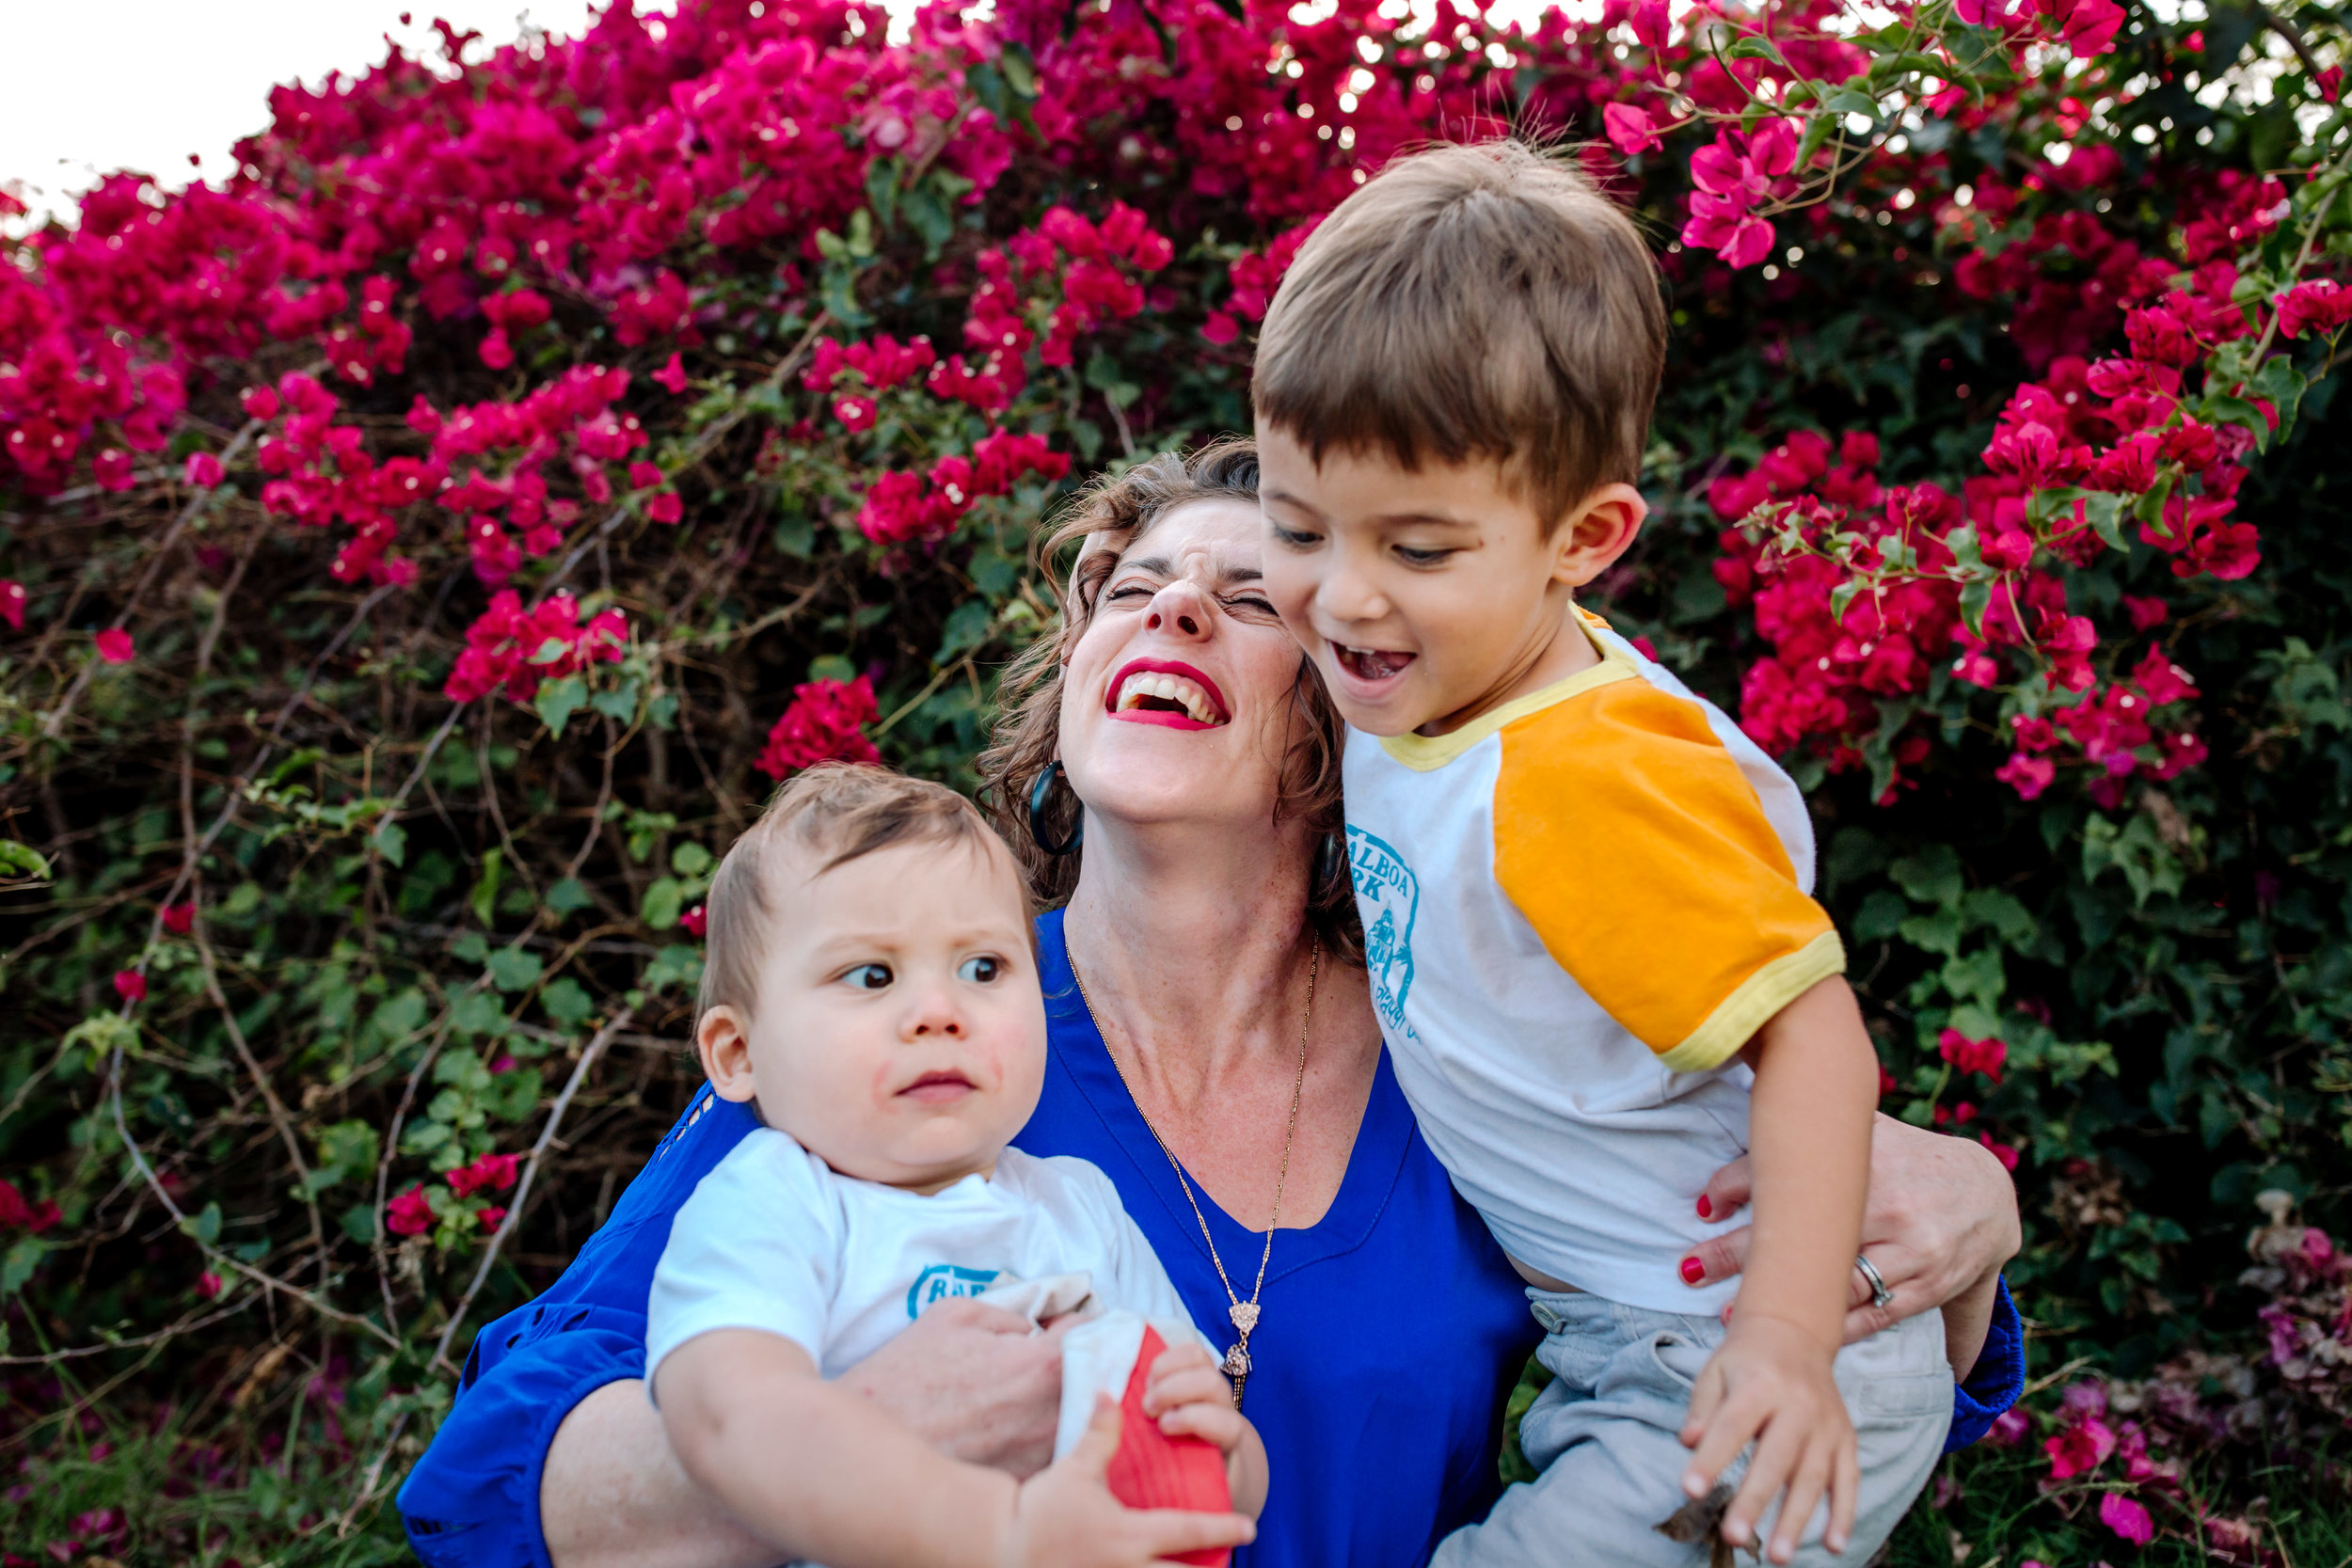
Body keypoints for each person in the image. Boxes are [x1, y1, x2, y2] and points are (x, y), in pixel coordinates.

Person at [397, 444, 2028, 1568]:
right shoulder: (901, 1036)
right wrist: (821, 1443)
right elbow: (481, 1486)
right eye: (1135, 587)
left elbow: (1754, 1364)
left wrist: (1963, 1236)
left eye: (1251, 601)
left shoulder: (1473, 1051)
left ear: (1360, 709)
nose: (1171, 608)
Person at [1253, 141, 1974, 1568]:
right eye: (1295, 524)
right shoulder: (1448, 690)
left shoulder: (1580, 770)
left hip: (1735, 1358)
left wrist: (1780, 1344)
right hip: (1629, 1337)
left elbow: (1819, 1041)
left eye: (1419, 546)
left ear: (1582, 537)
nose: (1342, 593)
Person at [645, 763, 1263, 1568]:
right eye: (871, 974)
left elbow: (1195, 1445)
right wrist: (997, 1531)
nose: (940, 1012)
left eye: (983, 968)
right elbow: (733, 1420)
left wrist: (1227, 1453)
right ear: (738, 1053)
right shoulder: (775, 1202)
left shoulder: (1079, 1206)